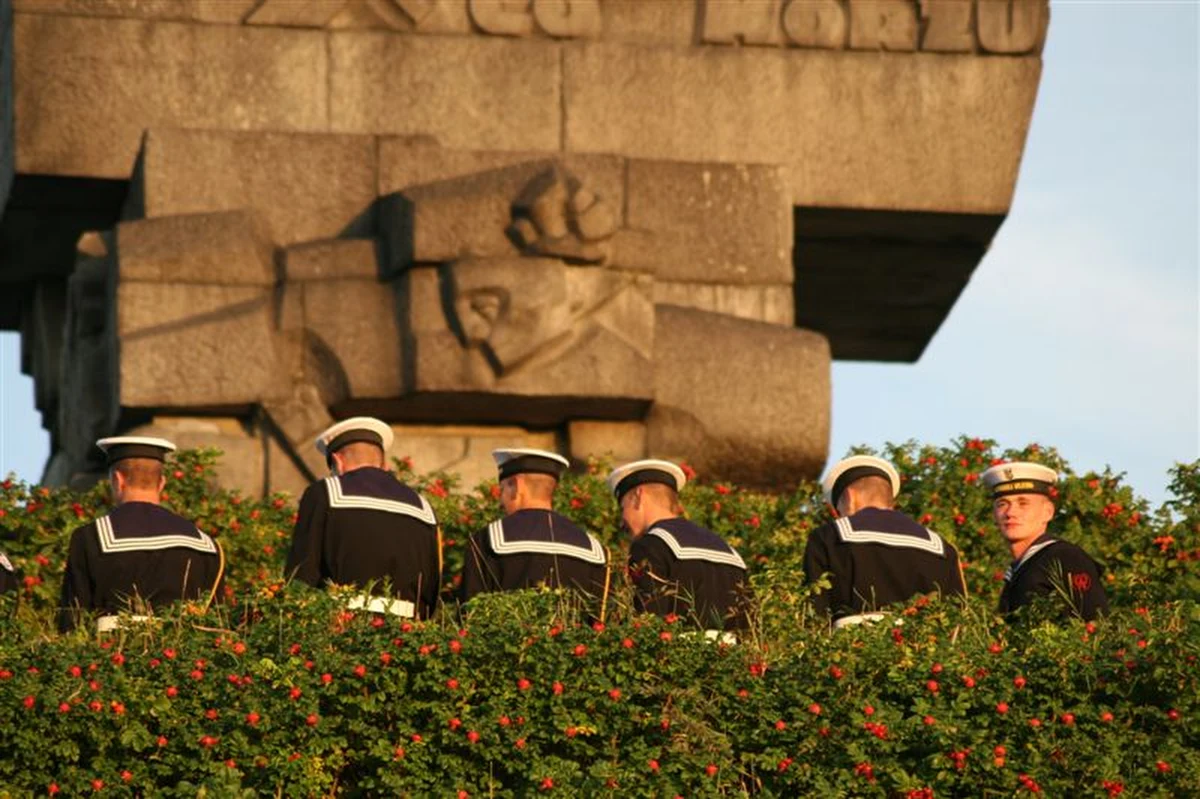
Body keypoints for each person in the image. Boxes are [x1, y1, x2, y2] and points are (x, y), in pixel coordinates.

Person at [58, 437, 224, 633]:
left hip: (109, 650)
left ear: (118, 480)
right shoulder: (208, 546)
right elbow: (217, 624)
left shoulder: (89, 538)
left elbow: (72, 621)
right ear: (161, 483)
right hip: (185, 650)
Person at [286, 417, 441, 619]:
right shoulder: (423, 506)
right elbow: (431, 588)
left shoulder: (325, 493)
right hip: (406, 629)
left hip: (341, 625)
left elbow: (302, 574)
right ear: (384, 464)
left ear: (338, 462)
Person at [804, 455, 966, 629]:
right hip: (924, 643)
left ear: (850, 497)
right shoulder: (942, 547)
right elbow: (957, 619)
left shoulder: (827, 537)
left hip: (852, 642)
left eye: (840, 510)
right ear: (891, 500)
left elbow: (815, 614)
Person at [608, 459, 751, 634]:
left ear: (638, 496)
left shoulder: (649, 546)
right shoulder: (730, 552)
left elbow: (646, 627)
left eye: (623, 508)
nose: (622, 522)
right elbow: (749, 630)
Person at [460, 449, 608, 610]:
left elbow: (470, 612)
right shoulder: (595, 550)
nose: (501, 501)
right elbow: (600, 620)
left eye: (502, 490)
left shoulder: (485, 540)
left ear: (517, 486)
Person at [982, 461, 1108, 621]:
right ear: (994, 514)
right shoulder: (1019, 568)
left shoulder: (1065, 557)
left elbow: (1094, 623)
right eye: (1002, 504)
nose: (1010, 512)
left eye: (1023, 503)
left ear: (1048, 512)